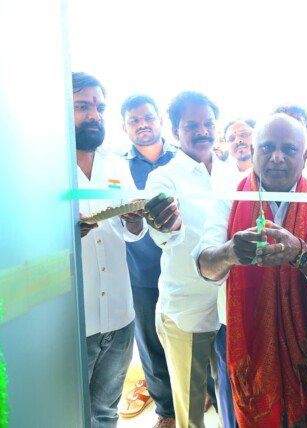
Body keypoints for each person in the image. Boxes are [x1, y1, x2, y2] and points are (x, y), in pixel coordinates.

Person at [195, 113, 307, 427]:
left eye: (288, 149)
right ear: (253, 151)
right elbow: (204, 265)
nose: (277, 157)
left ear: (304, 156)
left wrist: (298, 251)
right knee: (242, 413)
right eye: (267, 147)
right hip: (240, 334)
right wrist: (230, 252)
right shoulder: (230, 195)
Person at [143, 91, 238, 428]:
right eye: (192, 125)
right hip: (187, 308)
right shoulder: (163, 177)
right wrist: (168, 225)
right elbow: (163, 233)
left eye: (208, 123)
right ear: (175, 131)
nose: (202, 131)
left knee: (232, 405)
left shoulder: (232, 174)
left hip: (229, 307)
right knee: (191, 413)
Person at [73, 72, 146, 427]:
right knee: (66, 414)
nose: (94, 115)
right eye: (82, 107)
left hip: (119, 314)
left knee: (105, 414)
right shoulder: (43, 167)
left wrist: (135, 221)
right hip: (73, 320)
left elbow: (131, 232)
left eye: (99, 108)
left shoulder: (116, 164)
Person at [120, 94, 177, 427]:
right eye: (134, 120)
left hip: (183, 266)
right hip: (141, 268)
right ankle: (167, 410)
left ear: (160, 121)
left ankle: (202, 392)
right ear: (125, 127)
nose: (142, 124)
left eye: (148, 118)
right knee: (151, 343)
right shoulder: (119, 166)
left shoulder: (181, 159)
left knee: (193, 332)